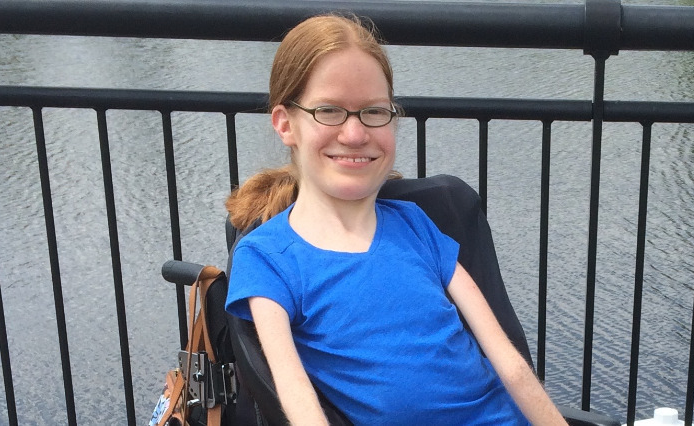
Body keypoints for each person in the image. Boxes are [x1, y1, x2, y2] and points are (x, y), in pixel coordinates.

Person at [222, 14, 566, 425]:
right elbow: (294, 397)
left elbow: (508, 363)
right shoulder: (266, 257)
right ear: (285, 123)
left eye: (374, 112)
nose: (354, 134)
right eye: (329, 111)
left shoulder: (416, 224)